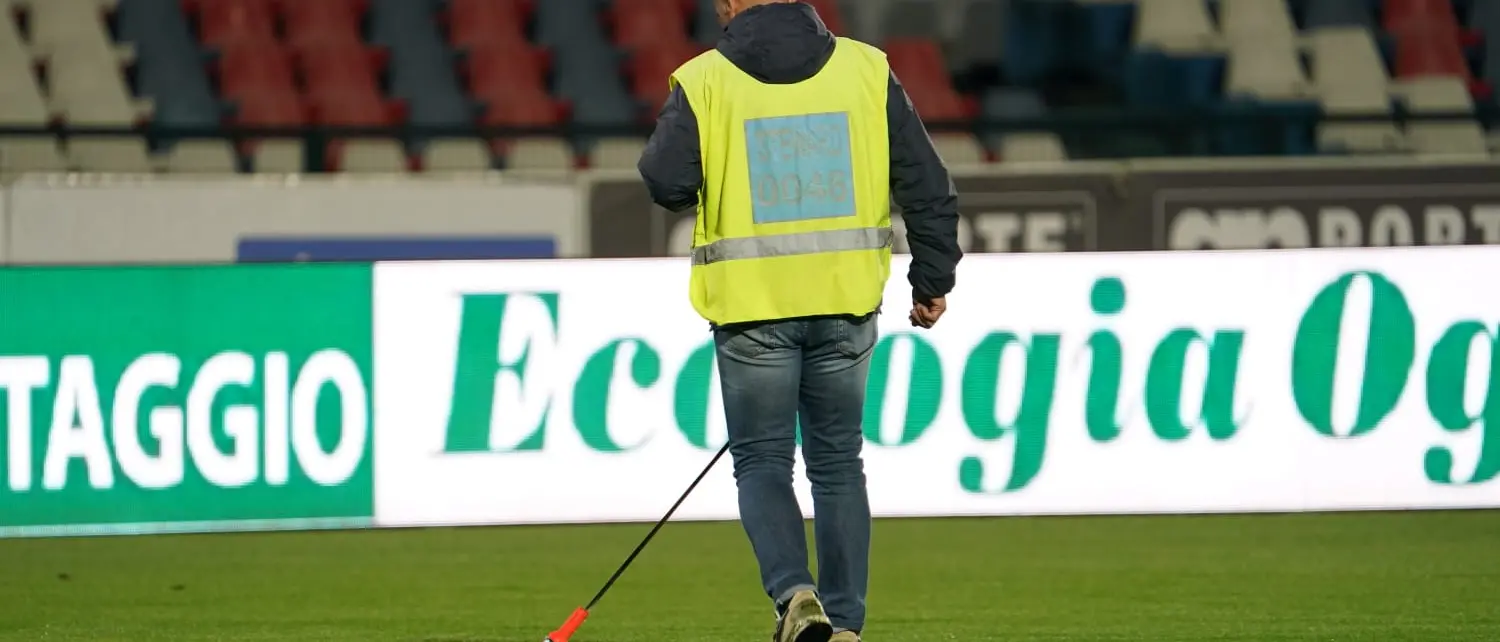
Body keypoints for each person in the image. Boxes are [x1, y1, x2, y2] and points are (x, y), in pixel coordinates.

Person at [637, 1, 961, 640]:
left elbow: (665, 181)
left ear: (730, 5)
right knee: (838, 464)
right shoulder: (867, 70)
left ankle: (794, 595)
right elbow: (926, 182)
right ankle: (845, 625)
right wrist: (932, 280)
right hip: (844, 303)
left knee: (761, 462)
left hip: (753, 307)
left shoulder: (704, 79)